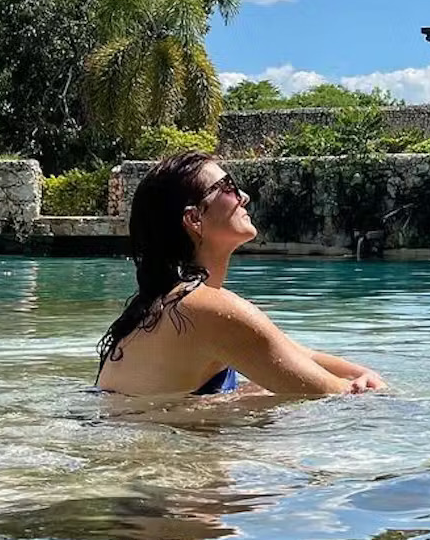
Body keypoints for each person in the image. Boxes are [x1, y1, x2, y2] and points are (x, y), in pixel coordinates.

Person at [95, 150, 387, 398]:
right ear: (194, 218)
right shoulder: (207, 308)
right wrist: (372, 390)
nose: (244, 197)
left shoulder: (165, 306)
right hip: (163, 465)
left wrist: (361, 372)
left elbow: (299, 355)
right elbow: (333, 396)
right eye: (229, 187)